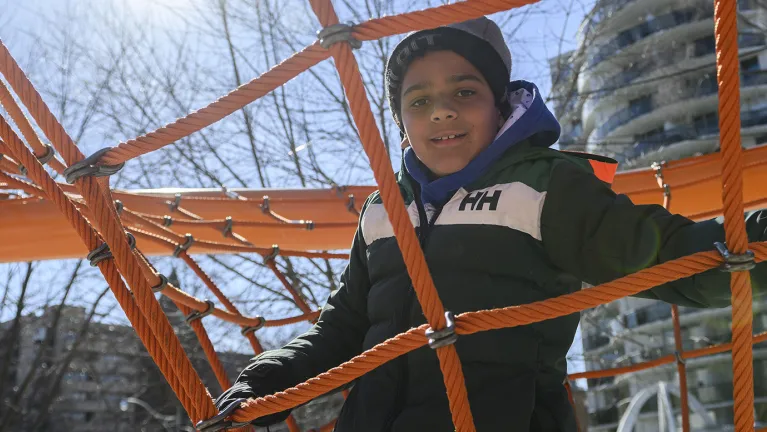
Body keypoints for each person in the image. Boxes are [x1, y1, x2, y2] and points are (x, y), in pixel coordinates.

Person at [213, 17, 767, 431]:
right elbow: (343, 324)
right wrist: (270, 382)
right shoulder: (384, 211)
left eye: (464, 92)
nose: (441, 111)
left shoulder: (544, 185)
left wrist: (754, 244)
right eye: (419, 100)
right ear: (403, 124)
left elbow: (665, 255)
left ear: (501, 104)